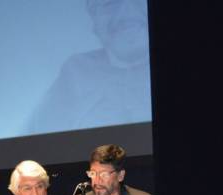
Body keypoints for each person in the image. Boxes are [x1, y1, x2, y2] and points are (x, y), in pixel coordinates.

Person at [28, 0, 150, 134]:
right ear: (95, 24)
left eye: (138, 0)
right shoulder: (75, 71)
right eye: (109, 4)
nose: (126, 13)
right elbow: (43, 137)